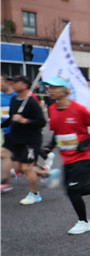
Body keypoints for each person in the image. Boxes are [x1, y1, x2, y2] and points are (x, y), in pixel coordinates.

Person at [40, 77, 90, 234]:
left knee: (73, 190)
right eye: (49, 88)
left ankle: (84, 222)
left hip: (83, 156)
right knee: (72, 189)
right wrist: (49, 147)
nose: (50, 90)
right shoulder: (52, 109)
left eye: (55, 87)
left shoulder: (78, 109)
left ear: (66, 91)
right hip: (67, 157)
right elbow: (57, 131)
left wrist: (87, 142)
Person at [1, 75, 49, 204]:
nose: (14, 84)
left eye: (17, 82)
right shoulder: (14, 100)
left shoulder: (31, 101)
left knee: (26, 168)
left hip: (31, 140)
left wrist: (25, 120)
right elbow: (11, 118)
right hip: (17, 138)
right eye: (13, 82)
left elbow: (41, 122)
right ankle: (45, 174)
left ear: (25, 85)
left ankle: (34, 194)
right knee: (17, 167)